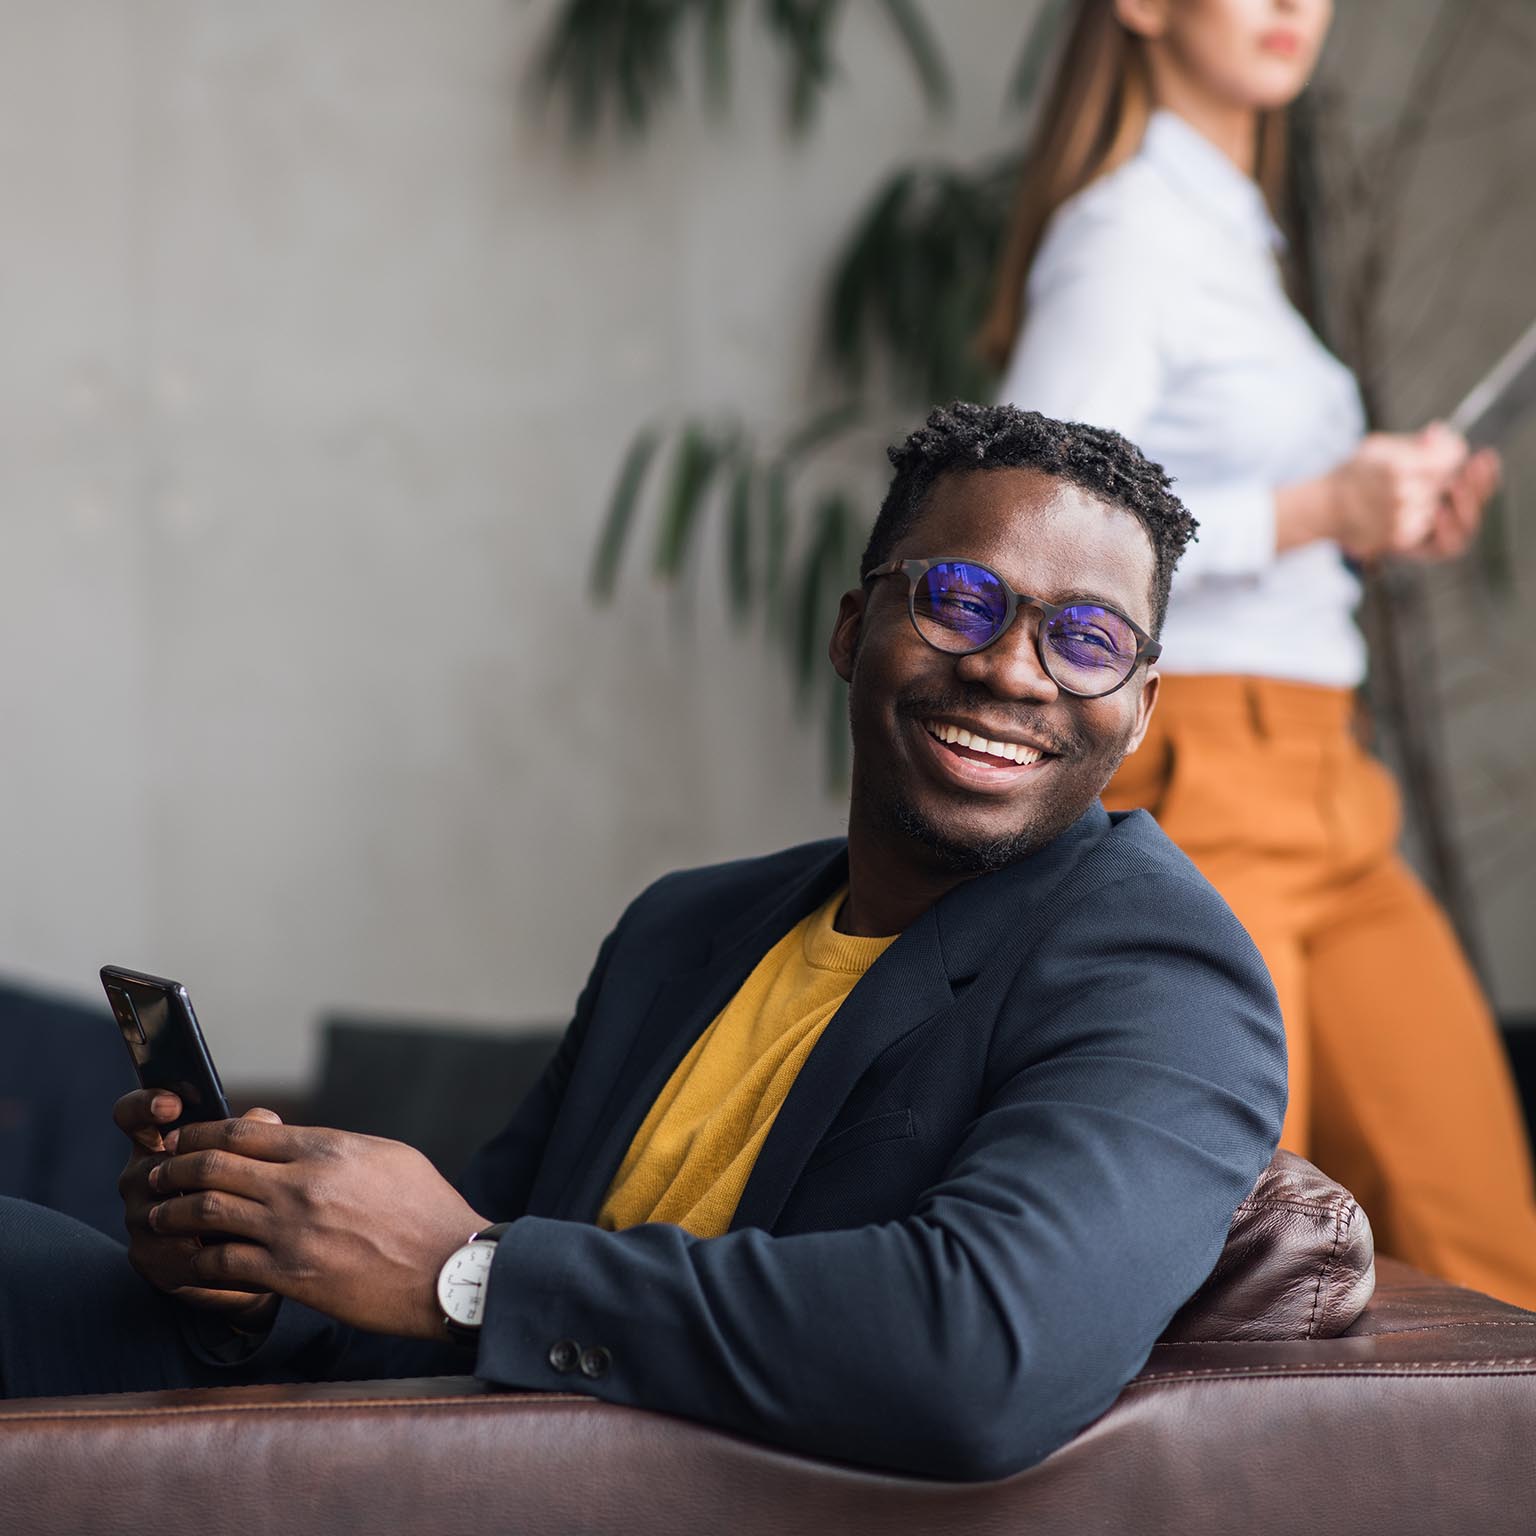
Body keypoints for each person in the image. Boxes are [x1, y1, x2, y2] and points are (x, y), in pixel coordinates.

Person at [0, 404, 1286, 1481]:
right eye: (960, 599)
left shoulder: (1157, 967)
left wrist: (469, 1273)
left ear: (1138, 709)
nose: (1015, 670)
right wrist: (258, 1269)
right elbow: (439, 1328)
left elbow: (987, 1350)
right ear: (853, 631)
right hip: (472, 1465)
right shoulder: (691, 928)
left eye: (1087, 640)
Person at [981, 0, 1536, 1308]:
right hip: (1208, 779)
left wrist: (1363, 522)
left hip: (1328, 781)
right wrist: (1317, 511)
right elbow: (1041, 527)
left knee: (1487, 1235)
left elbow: (1221, 512)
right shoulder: (1126, 234)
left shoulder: (1233, 230)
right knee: (1224, 1265)